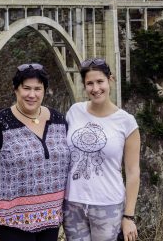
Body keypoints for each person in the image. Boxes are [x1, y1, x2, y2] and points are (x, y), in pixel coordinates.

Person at [0, 63, 72, 241]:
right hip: (11, 220)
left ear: (44, 91)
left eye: (37, 89)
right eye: (26, 88)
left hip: (50, 217)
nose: (32, 94)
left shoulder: (59, 121)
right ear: (16, 89)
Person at [64, 58, 141, 241]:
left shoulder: (127, 122)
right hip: (72, 204)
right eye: (89, 83)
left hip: (108, 206)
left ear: (110, 80)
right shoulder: (74, 112)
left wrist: (128, 216)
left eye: (100, 81)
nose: (95, 88)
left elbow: (133, 172)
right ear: (84, 86)